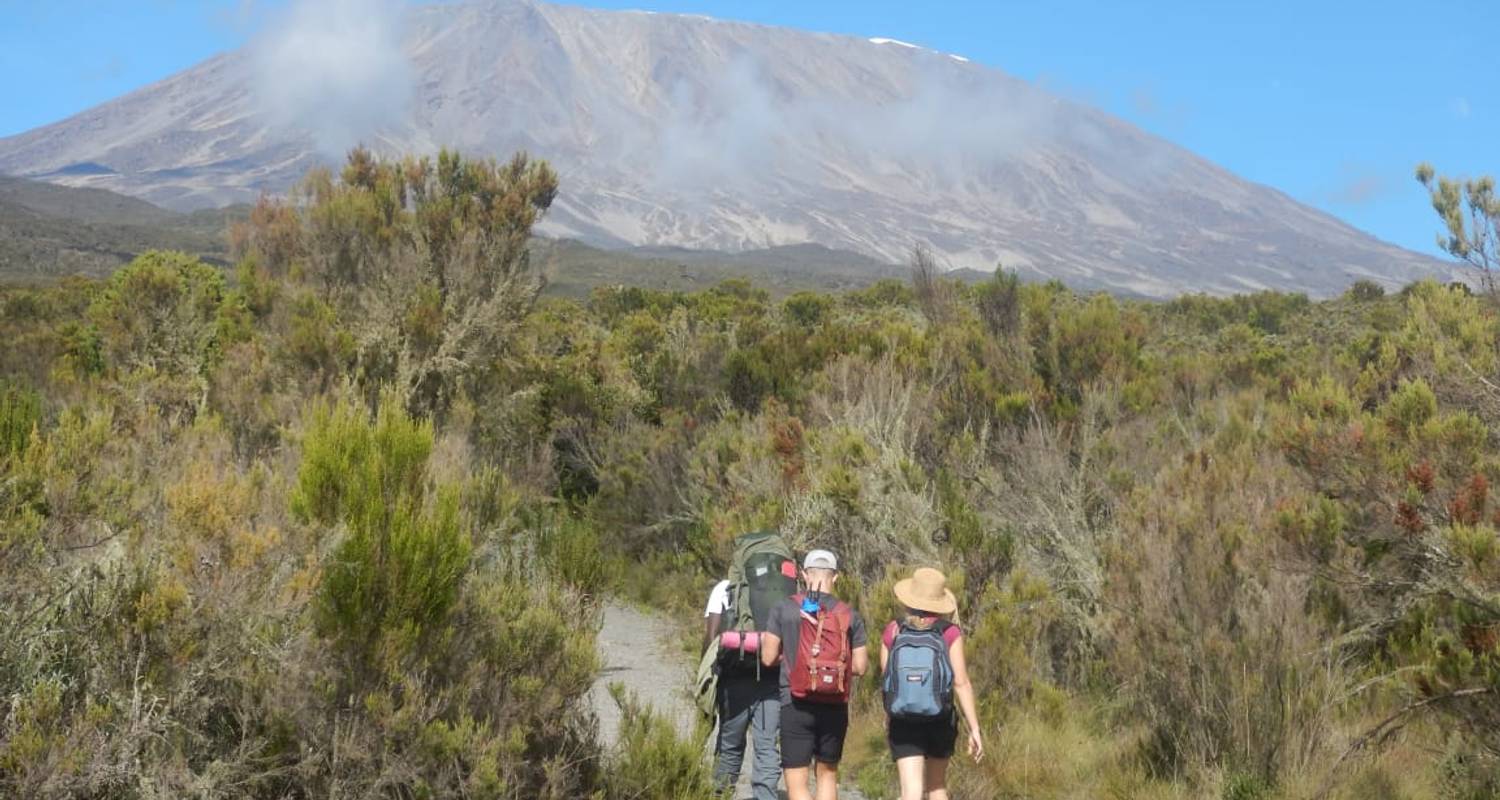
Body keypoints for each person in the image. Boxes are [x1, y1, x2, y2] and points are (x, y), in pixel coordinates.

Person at [761, 549, 868, 800]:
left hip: (794, 701)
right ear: (836, 577)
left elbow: (767, 658)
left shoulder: (784, 608)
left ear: (804, 575)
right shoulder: (850, 615)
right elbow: (860, 667)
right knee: (827, 774)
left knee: (797, 783)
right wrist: (830, 669)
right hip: (834, 704)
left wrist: (794, 660)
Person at [879, 567, 983, 800]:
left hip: (902, 718)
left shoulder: (893, 630)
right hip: (940, 718)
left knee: (911, 791)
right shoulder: (949, 632)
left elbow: (887, 678)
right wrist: (974, 728)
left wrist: (889, 714)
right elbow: (961, 682)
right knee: (936, 787)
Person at [704, 576, 784, 799]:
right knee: (767, 746)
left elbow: (711, 637)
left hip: (734, 678)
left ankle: (720, 794)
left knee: (730, 744)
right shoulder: (783, 586)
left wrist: (707, 677)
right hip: (772, 676)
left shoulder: (724, 587)